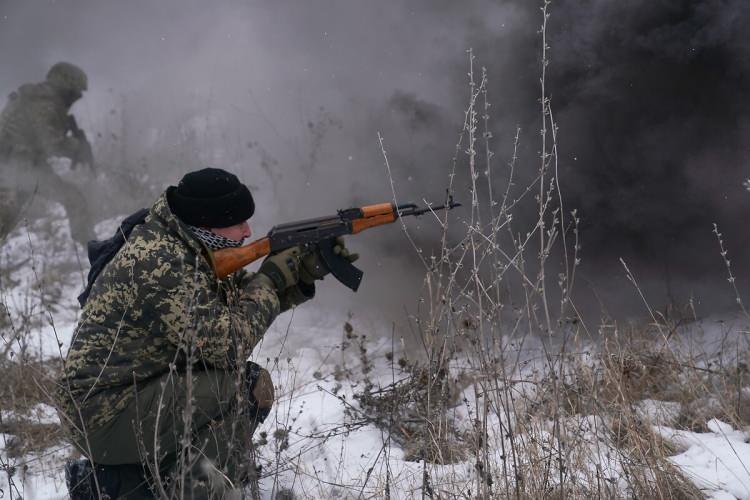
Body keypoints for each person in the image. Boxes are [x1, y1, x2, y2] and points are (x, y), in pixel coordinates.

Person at [57, 168, 354, 498]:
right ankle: (158, 488)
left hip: (131, 395)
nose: (247, 231)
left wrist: (299, 276)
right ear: (206, 222)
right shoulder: (161, 262)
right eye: (238, 222)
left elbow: (239, 303)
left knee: (231, 382)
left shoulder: (186, 245)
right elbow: (228, 345)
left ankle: (128, 481)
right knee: (245, 387)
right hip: (102, 414)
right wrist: (270, 280)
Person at [0, 61, 95, 244]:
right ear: (65, 86)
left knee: (73, 198)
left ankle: (93, 251)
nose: (75, 98)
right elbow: (50, 142)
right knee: (5, 217)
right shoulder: (44, 104)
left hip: (25, 168)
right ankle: (95, 254)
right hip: (13, 168)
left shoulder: (37, 99)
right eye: (74, 93)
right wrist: (77, 148)